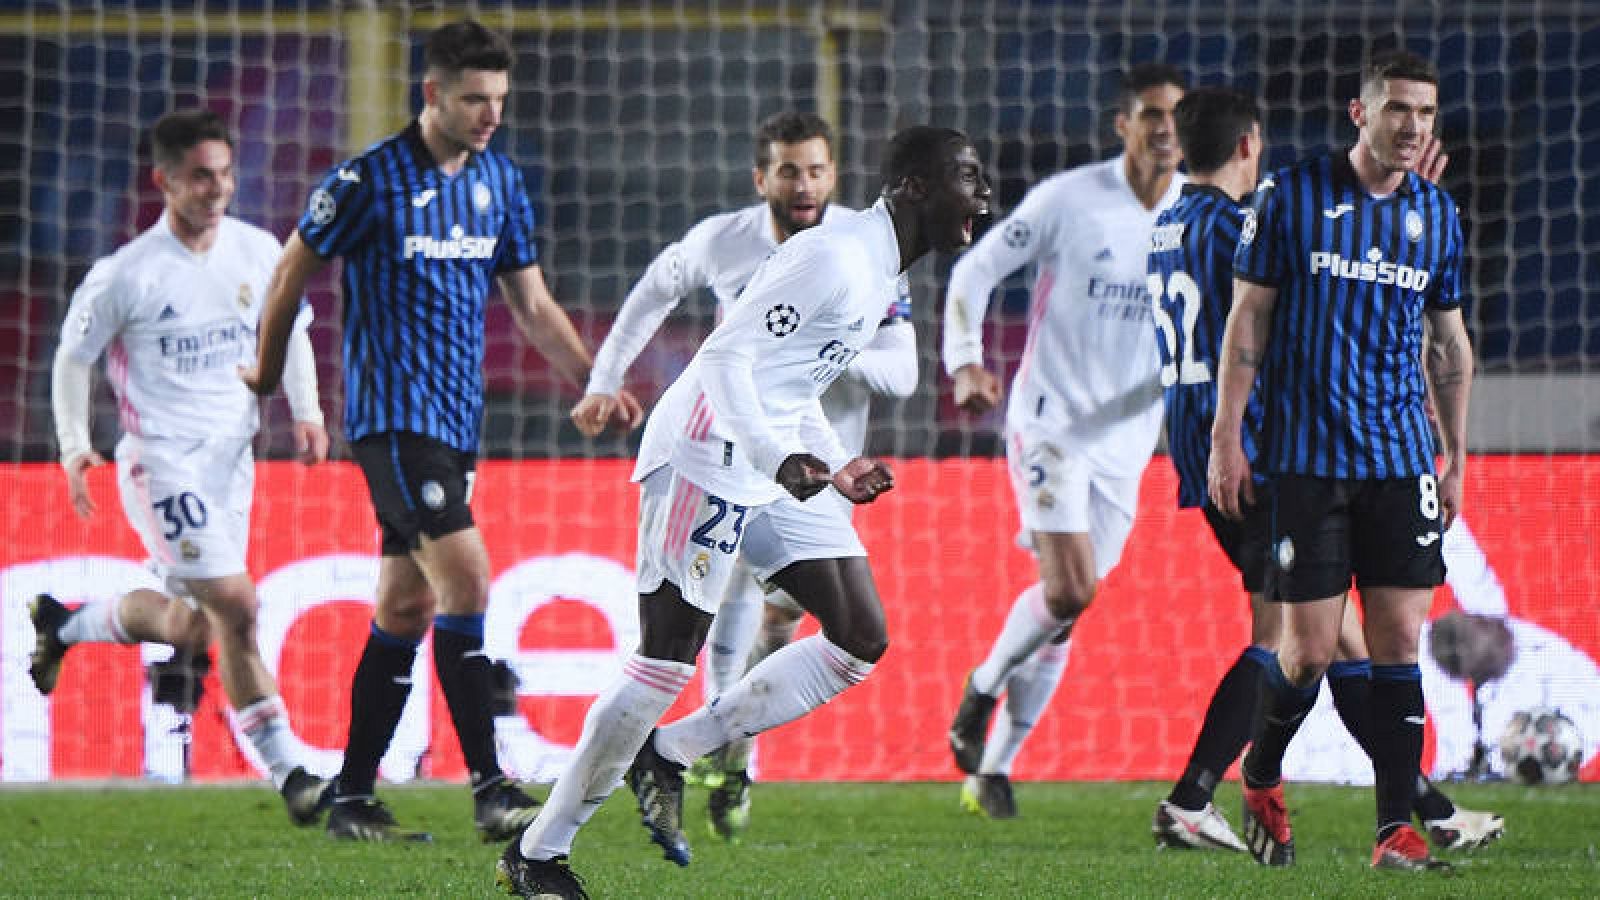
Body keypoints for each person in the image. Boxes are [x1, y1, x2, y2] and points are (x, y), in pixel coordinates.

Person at [497, 126, 991, 899]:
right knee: (666, 661)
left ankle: (672, 752)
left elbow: (792, 382)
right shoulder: (834, 256)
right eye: (968, 176)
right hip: (703, 450)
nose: (983, 192)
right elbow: (725, 356)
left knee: (861, 633)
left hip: (769, 460)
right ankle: (538, 852)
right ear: (919, 188)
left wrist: (834, 464)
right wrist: (775, 457)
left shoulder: (873, 267)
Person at [246, 20, 632, 843]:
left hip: (458, 428)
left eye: (498, 99)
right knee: (467, 582)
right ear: (432, 93)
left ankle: (351, 796)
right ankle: (492, 787)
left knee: (407, 603)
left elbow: (531, 303)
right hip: (391, 422)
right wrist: (266, 373)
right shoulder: (368, 181)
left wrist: (595, 381)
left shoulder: (498, 180)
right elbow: (289, 273)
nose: (489, 113)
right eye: (473, 98)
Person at [1145, 87, 1501, 858]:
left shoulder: (1168, 221)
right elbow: (1283, 295)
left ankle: (1418, 809)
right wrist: (1390, 215)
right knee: (1288, 637)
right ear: (1249, 145)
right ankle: (1196, 794)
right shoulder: (1240, 220)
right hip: (1267, 443)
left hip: (1194, 427)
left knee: (1339, 644)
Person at [569, 111, 918, 842]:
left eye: (817, 170)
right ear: (763, 177)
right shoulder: (722, 241)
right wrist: (605, 376)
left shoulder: (858, 251)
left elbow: (904, 370)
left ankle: (724, 755)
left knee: (801, 621)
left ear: (835, 175)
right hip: (729, 452)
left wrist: (825, 346)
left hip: (818, 461)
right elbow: (656, 293)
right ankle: (681, 766)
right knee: (707, 623)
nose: (804, 185)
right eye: (789, 170)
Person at [36, 108, 332, 822]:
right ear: (164, 181)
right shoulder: (124, 275)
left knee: (201, 626)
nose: (218, 189)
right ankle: (291, 770)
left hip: (234, 461)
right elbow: (71, 361)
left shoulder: (260, 251)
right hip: (160, 463)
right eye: (201, 176)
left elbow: (287, 329)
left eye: (225, 174)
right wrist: (77, 445)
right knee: (239, 604)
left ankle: (66, 626)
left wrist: (308, 409)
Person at [942, 62, 1187, 819]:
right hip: (1049, 422)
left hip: (1129, 443)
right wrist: (967, 362)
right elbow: (974, 272)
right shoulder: (1068, 201)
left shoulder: (1202, 213)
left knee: (1066, 605)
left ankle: (993, 769)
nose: (1164, 129)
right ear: (1123, 124)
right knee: (1071, 586)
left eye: (1176, 116)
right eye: (1150, 114)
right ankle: (979, 691)